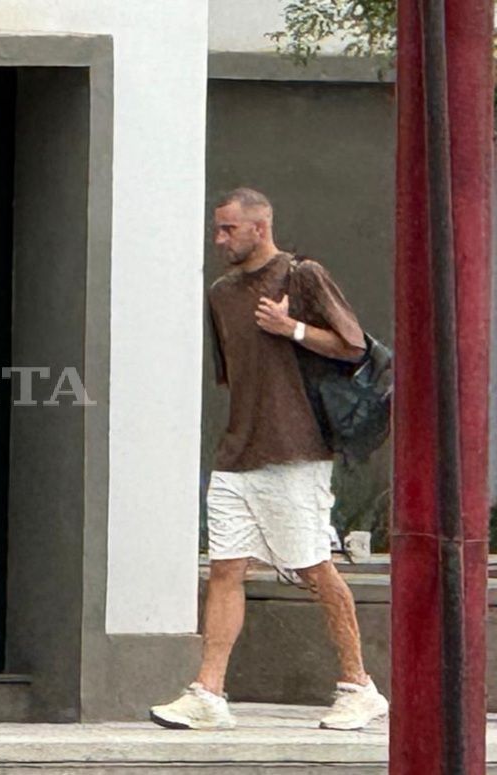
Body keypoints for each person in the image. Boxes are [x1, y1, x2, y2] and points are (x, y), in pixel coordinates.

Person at [149, 188, 389, 732]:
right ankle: (208, 691)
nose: (219, 239)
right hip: (238, 450)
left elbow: (354, 346)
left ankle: (360, 686)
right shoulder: (221, 292)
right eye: (217, 228)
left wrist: (294, 329)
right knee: (226, 569)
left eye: (228, 229)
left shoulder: (301, 276)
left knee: (313, 568)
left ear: (260, 228)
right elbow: (233, 373)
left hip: (296, 449)